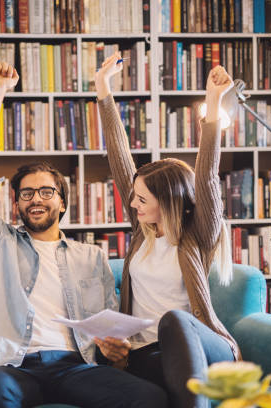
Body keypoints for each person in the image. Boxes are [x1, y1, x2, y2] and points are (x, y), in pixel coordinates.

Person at [0, 61, 168, 408]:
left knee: (148, 397)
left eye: (46, 192)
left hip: (76, 368)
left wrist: (114, 351)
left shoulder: (92, 257)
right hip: (14, 367)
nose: (36, 199)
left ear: (62, 202)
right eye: (26, 194)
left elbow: (109, 334)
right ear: (17, 204)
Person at [93, 53, 240, 408]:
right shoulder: (141, 232)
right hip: (148, 352)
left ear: (170, 201)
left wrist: (213, 103)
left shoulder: (197, 235)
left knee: (174, 320)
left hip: (204, 345)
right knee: (150, 379)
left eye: (142, 200)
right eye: (134, 198)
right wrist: (102, 90)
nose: (133, 206)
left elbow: (205, 178)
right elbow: (119, 157)